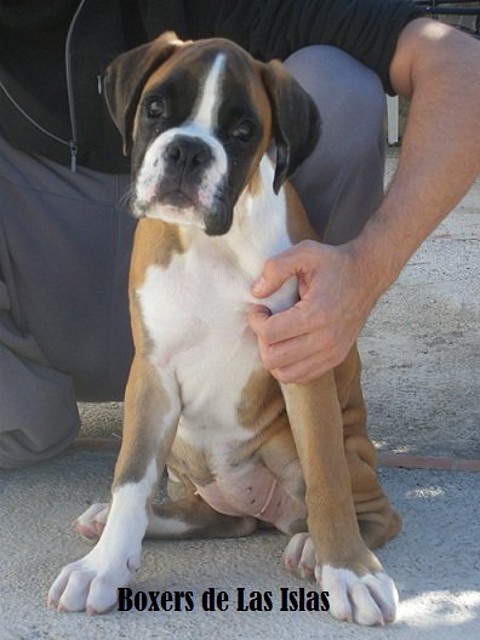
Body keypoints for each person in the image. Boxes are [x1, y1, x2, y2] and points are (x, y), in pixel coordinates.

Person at [0, 1, 478, 469]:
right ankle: (20, 411)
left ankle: (284, 415)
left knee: (341, 84)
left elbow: (463, 67)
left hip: (249, 314)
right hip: (43, 264)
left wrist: (366, 268)